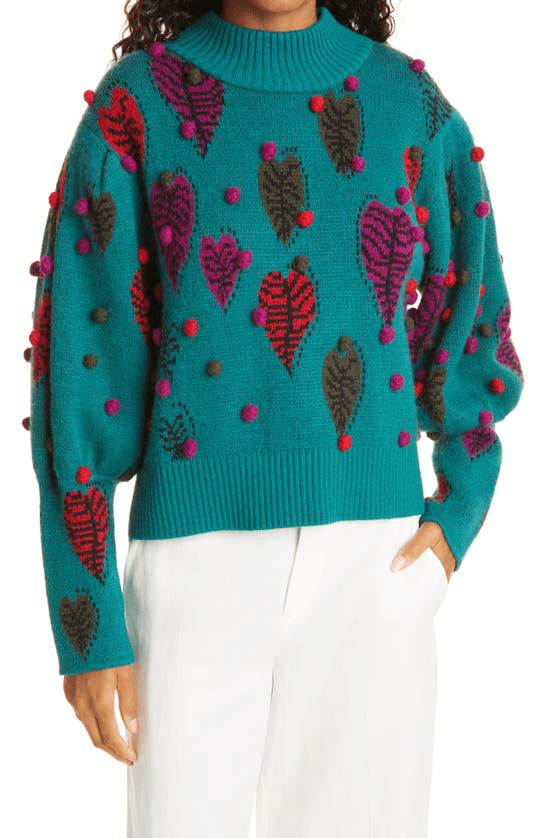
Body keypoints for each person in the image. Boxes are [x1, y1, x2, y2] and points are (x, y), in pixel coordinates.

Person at [25, 1, 525, 835]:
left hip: (374, 569)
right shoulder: (137, 104)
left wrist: (458, 512)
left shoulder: (407, 103)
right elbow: (81, 364)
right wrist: (87, 617)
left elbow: (473, 316)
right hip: (193, 570)